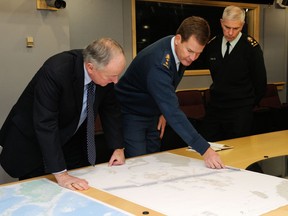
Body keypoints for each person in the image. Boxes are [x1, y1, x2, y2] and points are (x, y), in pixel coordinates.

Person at [0, 38, 126, 190]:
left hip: (69, 136)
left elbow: (111, 109)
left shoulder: (105, 74)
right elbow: (45, 122)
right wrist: (61, 174)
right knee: (38, 193)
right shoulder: (57, 69)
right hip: (34, 139)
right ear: (90, 67)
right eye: (111, 76)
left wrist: (118, 147)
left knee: (78, 188)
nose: (116, 81)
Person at [115, 16, 224, 169]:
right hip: (131, 113)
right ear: (178, 39)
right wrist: (205, 150)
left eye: (198, 53)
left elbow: (168, 88)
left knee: (153, 160)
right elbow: (173, 111)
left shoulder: (178, 50)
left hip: (152, 112)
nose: (193, 58)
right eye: (190, 51)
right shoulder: (158, 63)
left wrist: (162, 111)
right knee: (138, 164)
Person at [196, 5, 267, 142]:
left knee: (238, 151)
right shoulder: (213, 45)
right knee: (206, 145)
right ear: (221, 22)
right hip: (216, 107)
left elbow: (260, 83)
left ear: (242, 25)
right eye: (227, 27)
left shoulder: (251, 48)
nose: (230, 33)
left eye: (236, 28)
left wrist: (247, 106)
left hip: (240, 111)